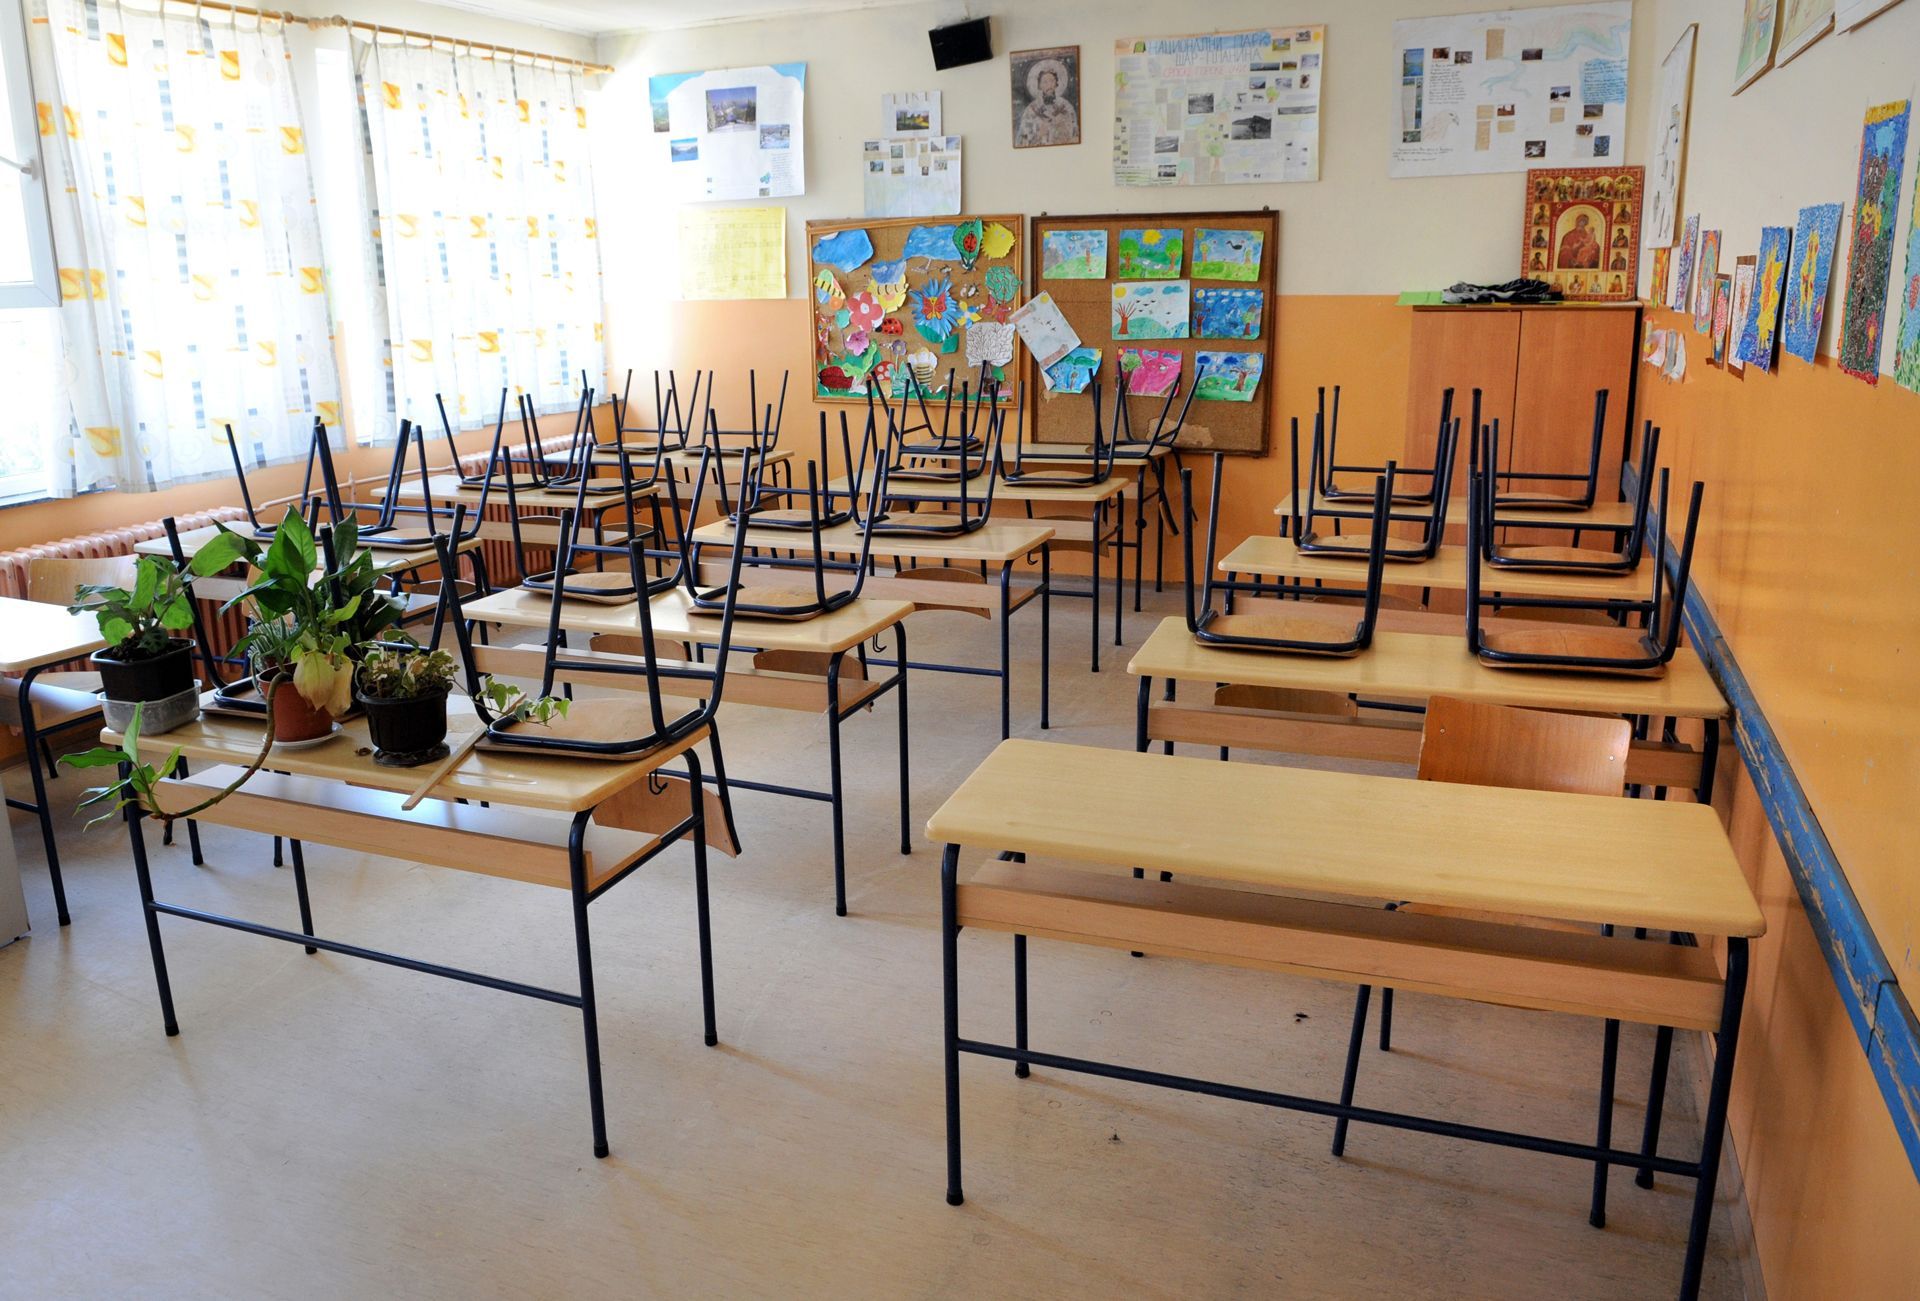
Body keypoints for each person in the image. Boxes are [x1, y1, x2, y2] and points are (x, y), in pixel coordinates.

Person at [1016, 60, 1079, 147]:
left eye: (1052, 81)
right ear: (1039, 86)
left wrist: (1062, 125)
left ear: (1056, 83)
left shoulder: (1066, 106)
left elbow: (1075, 134)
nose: (1049, 85)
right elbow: (1023, 139)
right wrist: (1039, 133)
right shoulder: (1031, 109)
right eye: (1045, 82)